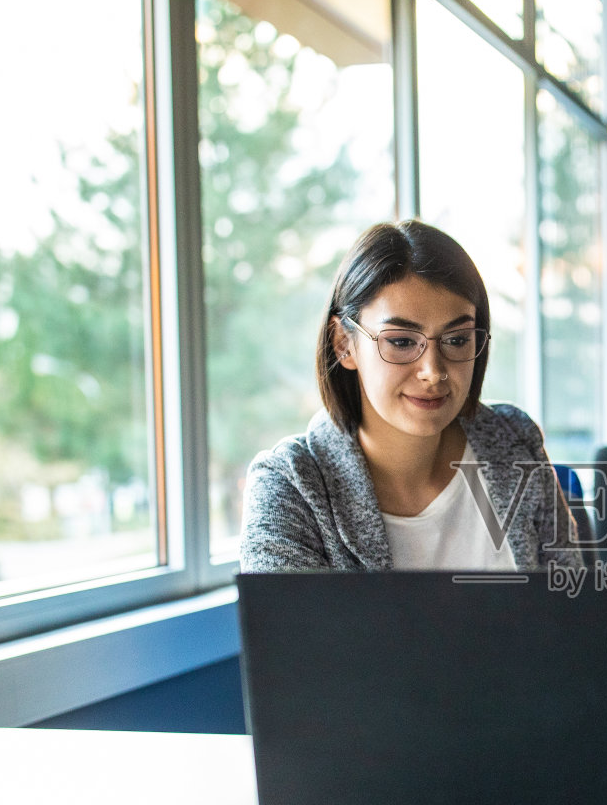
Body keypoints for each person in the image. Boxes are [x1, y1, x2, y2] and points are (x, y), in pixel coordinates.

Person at [241, 220, 581, 574]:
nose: (433, 372)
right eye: (401, 341)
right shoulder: (290, 487)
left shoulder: (513, 442)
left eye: (457, 339)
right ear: (344, 344)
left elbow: (576, 616)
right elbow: (290, 630)